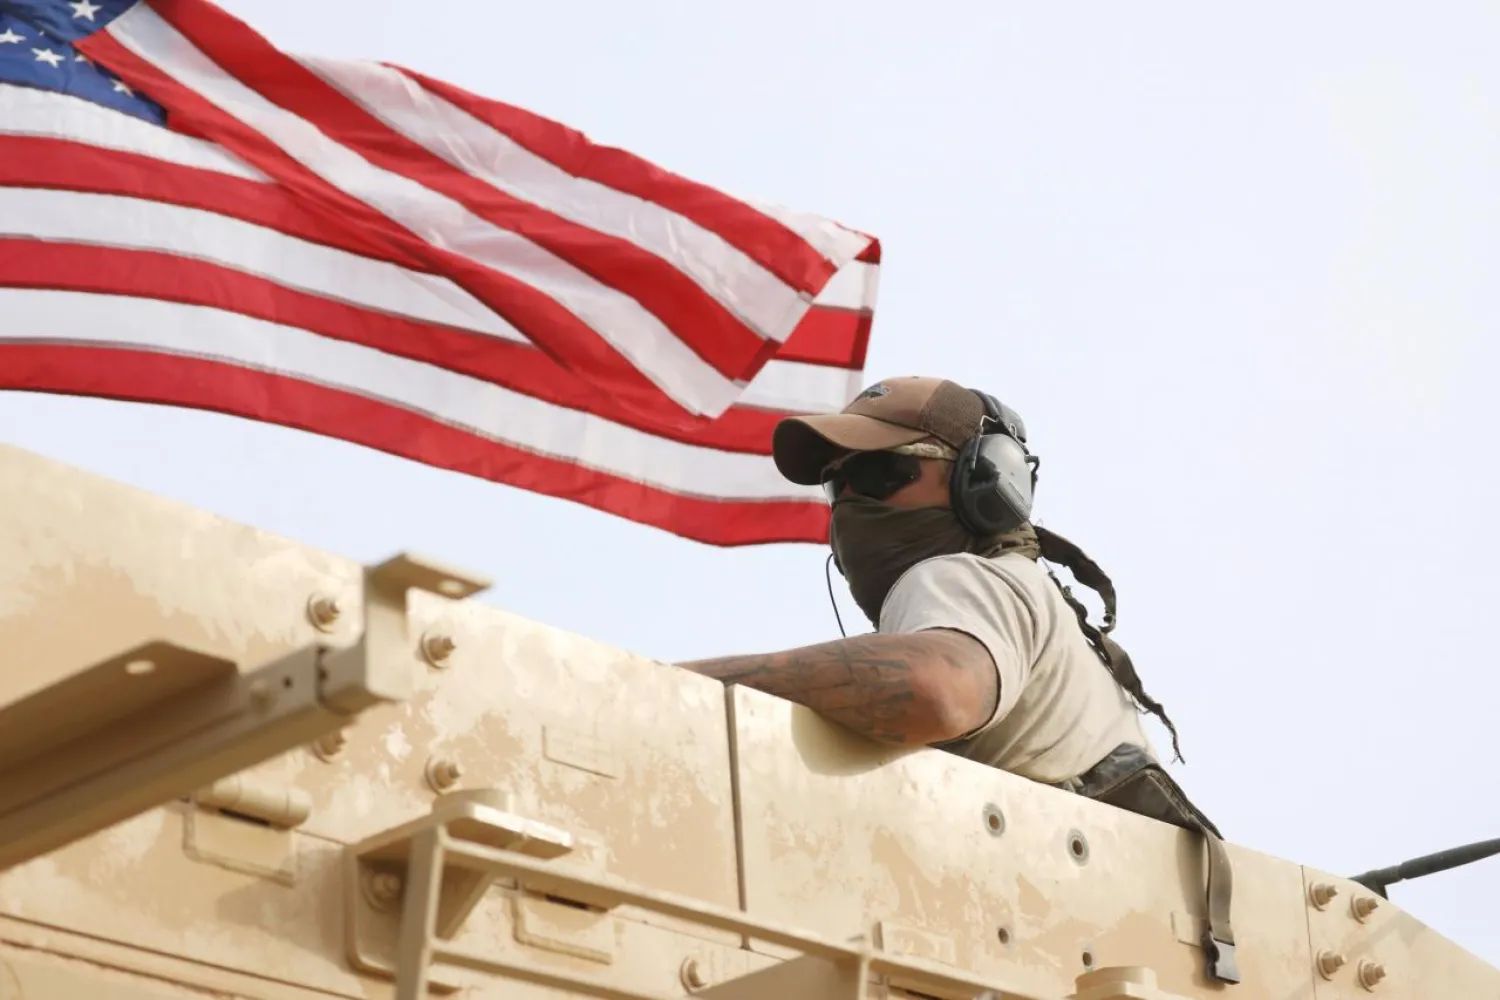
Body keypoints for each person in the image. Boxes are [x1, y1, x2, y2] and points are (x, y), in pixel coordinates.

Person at [677, 375, 1240, 985]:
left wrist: (684, 691)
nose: (848, 507)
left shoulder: (955, 578)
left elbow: (937, 689)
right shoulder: (1033, 600)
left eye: (878, 475)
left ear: (984, 483)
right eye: (838, 484)